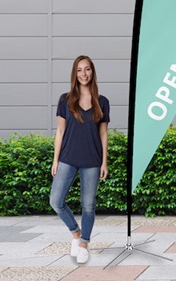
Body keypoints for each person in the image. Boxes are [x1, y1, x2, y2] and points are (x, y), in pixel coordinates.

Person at [49, 55, 109, 264]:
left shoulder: (102, 102)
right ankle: (75, 232)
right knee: (56, 201)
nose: (84, 74)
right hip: (67, 158)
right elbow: (60, 131)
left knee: (88, 205)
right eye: (80, 70)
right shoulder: (65, 100)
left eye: (88, 69)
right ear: (75, 74)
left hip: (92, 161)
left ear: (93, 72)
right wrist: (56, 160)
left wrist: (104, 162)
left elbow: (103, 134)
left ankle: (84, 243)